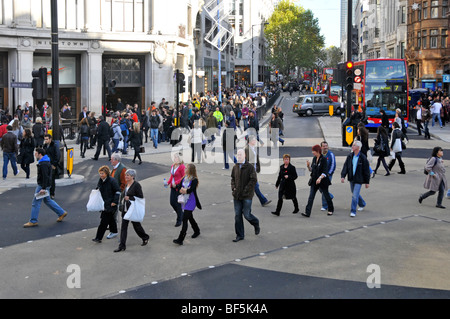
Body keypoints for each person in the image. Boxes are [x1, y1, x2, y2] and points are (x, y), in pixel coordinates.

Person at [23, 148, 68, 227]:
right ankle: (61, 212)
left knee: (35, 203)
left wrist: (43, 188)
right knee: (48, 200)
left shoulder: (43, 164)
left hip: (42, 186)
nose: (35, 154)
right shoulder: (46, 161)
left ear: (40, 154)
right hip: (46, 185)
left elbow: (45, 176)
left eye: (36, 153)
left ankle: (33, 221)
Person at [114, 169, 150, 252]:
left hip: (133, 209)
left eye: (128, 175)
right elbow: (124, 194)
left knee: (136, 225)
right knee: (124, 227)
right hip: (126, 209)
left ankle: (145, 237)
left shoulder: (136, 185)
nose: (126, 176)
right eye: (126, 175)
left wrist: (130, 198)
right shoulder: (127, 184)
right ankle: (122, 246)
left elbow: (141, 197)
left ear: (132, 177)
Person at [231, 149, 260, 242]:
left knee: (247, 215)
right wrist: (233, 188)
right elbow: (232, 178)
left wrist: (246, 190)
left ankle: (255, 223)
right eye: (238, 154)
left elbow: (253, 180)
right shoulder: (235, 167)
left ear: (245, 156)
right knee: (237, 215)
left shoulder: (250, 167)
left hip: (247, 196)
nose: (238, 156)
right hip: (237, 196)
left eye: (240, 154)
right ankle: (240, 235)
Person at [173, 164, 202, 245]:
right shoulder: (184, 178)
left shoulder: (194, 180)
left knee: (184, 219)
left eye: (187, 168)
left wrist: (184, 190)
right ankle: (197, 230)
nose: (185, 169)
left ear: (190, 170)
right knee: (190, 217)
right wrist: (182, 190)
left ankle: (180, 239)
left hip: (191, 201)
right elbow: (178, 187)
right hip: (184, 201)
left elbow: (190, 190)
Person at [340, 140, 371, 217]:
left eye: (354, 145)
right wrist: (343, 176)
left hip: (359, 179)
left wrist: (367, 182)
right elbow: (346, 166)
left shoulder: (363, 158)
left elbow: (366, 170)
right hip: (351, 178)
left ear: (358, 147)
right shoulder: (350, 156)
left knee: (354, 196)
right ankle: (362, 203)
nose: (352, 146)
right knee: (355, 193)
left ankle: (353, 211)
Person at [302, 145, 334, 217]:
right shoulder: (314, 158)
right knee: (311, 196)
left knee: (326, 195)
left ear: (318, 151)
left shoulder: (324, 159)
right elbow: (312, 170)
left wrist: (320, 178)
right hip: (314, 181)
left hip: (322, 181)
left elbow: (325, 171)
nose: (312, 152)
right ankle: (307, 212)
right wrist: (308, 166)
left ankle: (330, 209)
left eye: (314, 151)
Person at [92, 166, 121, 243]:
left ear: (106, 173)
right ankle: (114, 231)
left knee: (103, 222)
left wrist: (115, 202)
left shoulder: (112, 181)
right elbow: (98, 188)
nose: (101, 175)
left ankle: (98, 238)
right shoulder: (101, 180)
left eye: (102, 173)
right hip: (105, 204)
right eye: (100, 173)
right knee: (110, 219)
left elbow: (118, 191)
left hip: (110, 204)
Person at [245, 135, 271, 207]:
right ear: (250, 141)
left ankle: (245, 201)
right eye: (254, 140)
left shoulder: (252, 148)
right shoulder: (247, 149)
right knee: (255, 186)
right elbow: (245, 161)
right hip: (250, 171)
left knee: (254, 186)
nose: (255, 141)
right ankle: (263, 200)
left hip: (253, 170)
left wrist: (257, 167)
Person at [167, 152, 186, 227]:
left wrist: (177, 183)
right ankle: (181, 215)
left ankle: (179, 220)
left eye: (176, 157)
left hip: (178, 187)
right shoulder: (173, 166)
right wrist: (168, 183)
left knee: (178, 204)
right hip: (173, 187)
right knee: (172, 202)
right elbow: (172, 176)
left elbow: (184, 177)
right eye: (174, 157)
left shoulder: (182, 167)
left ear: (180, 159)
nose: (174, 159)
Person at [43, 134, 60, 199]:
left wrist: (54, 164)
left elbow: (57, 155)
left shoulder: (54, 146)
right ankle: (46, 192)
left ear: (50, 139)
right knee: (45, 179)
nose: (46, 141)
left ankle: (52, 193)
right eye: (45, 139)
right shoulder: (44, 146)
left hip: (52, 164)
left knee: (52, 180)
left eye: (47, 139)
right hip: (46, 164)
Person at [320, 141, 336, 211]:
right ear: (321, 147)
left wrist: (329, 173)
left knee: (324, 189)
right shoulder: (320, 154)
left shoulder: (331, 154)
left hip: (328, 175)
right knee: (320, 189)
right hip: (321, 175)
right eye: (324, 146)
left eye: (326, 146)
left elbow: (333, 164)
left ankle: (325, 205)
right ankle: (330, 196)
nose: (325, 147)